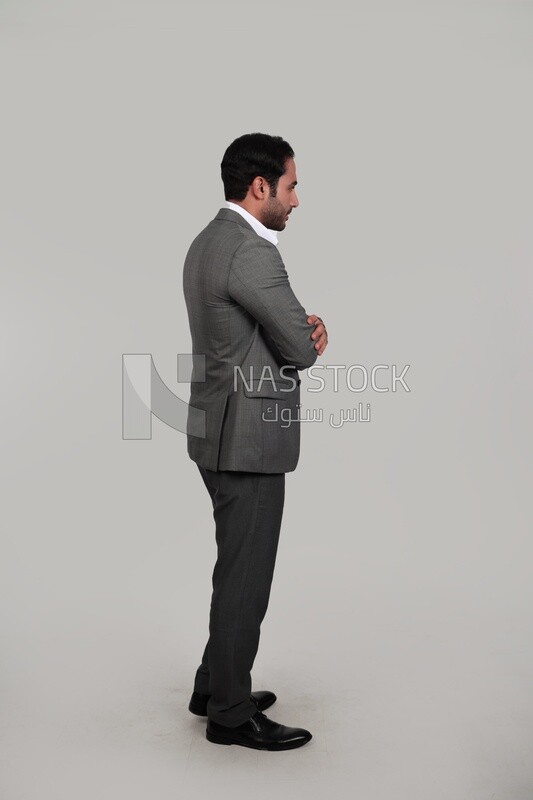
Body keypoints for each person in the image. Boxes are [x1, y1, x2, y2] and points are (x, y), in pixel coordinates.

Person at [182, 132, 328, 751]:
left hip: (214, 428)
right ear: (260, 186)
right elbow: (296, 346)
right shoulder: (252, 253)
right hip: (248, 439)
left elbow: (240, 336)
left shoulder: (206, 242)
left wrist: (294, 330)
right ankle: (231, 714)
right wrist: (311, 335)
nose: (297, 200)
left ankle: (213, 684)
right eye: (291, 186)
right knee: (247, 579)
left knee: (232, 567)